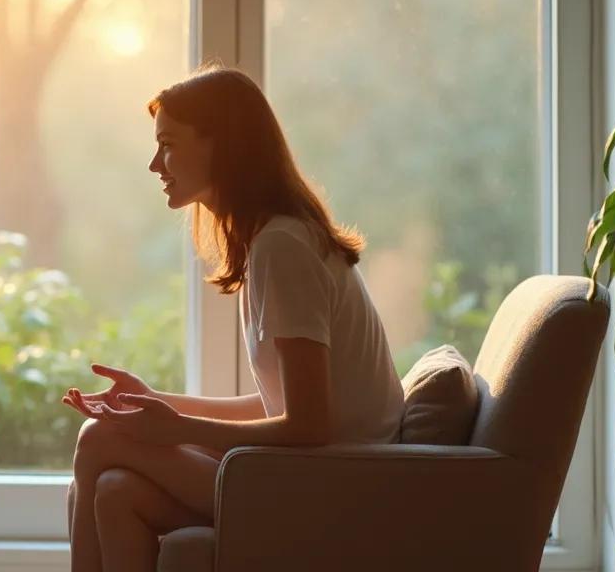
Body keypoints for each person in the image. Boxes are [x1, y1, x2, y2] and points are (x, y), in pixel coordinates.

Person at [61, 66, 404, 571]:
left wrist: (175, 428)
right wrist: (155, 403)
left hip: (335, 484)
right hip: (312, 470)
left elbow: (309, 426)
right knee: (114, 491)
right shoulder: (274, 239)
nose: (155, 163)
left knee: (99, 439)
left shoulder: (282, 247)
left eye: (169, 144)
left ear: (221, 146)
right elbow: (282, 404)